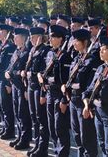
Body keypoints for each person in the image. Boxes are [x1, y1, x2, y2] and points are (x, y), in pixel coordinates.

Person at [61, 29, 98, 157]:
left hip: (83, 102)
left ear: (85, 42)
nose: (74, 43)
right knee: (76, 134)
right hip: (73, 100)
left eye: (76, 41)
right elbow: (71, 77)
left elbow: (89, 85)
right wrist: (66, 86)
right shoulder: (77, 58)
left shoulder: (92, 60)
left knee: (86, 135)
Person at [39, 25, 72, 156]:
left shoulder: (65, 56)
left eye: (54, 37)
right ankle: (57, 151)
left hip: (60, 94)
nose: (51, 39)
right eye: (51, 36)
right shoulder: (49, 53)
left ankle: (63, 153)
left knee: (60, 127)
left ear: (61, 39)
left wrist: (64, 100)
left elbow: (66, 80)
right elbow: (45, 72)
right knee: (52, 125)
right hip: (50, 93)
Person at [21, 27, 49, 157]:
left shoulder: (45, 50)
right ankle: (37, 144)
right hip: (31, 87)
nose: (31, 40)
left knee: (41, 118)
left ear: (40, 37)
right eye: (31, 37)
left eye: (34, 37)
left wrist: (43, 94)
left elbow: (44, 73)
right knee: (33, 117)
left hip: (39, 88)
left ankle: (42, 148)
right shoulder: (33, 50)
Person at [5, 28, 32, 150]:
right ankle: (20, 136)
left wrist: (12, 73)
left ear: (23, 38)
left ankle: (25, 139)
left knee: (23, 114)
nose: (14, 39)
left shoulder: (27, 53)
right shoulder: (17, 51)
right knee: (17, 112)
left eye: (17, 37)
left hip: (22, 87)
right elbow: (11, 66)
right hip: (15, 86)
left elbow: (24, 72)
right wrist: (7, 72)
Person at [0, 24, 16, 140]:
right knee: (0, 105)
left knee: (6, 106)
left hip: (4, 80)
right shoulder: (3, 45)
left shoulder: (10, 47)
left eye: (1, 31)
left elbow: (7, 67)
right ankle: (4, 127)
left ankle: (9, 130)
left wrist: (8, 84)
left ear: (7, 33)